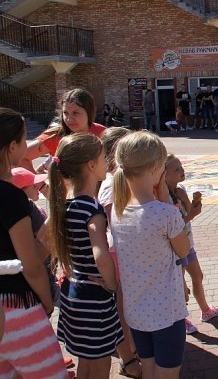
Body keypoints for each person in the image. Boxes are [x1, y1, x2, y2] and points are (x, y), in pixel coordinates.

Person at [111, 131, 190, 379]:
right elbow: (184, 249)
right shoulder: (164, 214)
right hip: (166, 312)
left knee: (150, 370)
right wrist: (166, 198)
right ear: (157, 167)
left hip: (136, 313)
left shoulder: (118, 209)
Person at [0, 108, 68, 379]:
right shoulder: (9, 197)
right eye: (23, 139)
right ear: (12, 146)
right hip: (16, 306)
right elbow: (30, 265)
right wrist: (46, 301)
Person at [48, 133, 122, 378]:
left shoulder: (65, 204)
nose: (106, 162)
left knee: (86, 362)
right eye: (103, 158)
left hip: (73, 292)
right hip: (94, 296)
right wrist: (112, 284)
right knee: (101, 364)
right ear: (91, 165)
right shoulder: (91, 208)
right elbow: (100, 254)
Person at [97, 127, 142, 379]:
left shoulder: (119, 180)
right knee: (122, 311)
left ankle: (133, 353)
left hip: (122, 252)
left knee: (126, 307)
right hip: (118, 253)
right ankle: (130, 358)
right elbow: (115, 220)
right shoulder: (111, 183)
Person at [164, 155, 218, 334]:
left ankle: (205, 310)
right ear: (164, 174)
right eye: (177, 170)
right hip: (174, 249)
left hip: (187, 244)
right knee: (179, 287)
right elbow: (173, 226)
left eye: (181, 167)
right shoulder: (163, 196)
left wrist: (189, 202)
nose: (182, 171)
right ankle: (181, 319)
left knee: (198, 276)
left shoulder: (180, 188)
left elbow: (190, 213)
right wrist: (190, 215)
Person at [23, 88, 106, 172]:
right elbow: (21, 157)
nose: (69, 119)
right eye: (65, 113)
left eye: (75, 113)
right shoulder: (55, 136)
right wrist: (37, 182)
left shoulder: (103, 133)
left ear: (89, 112)